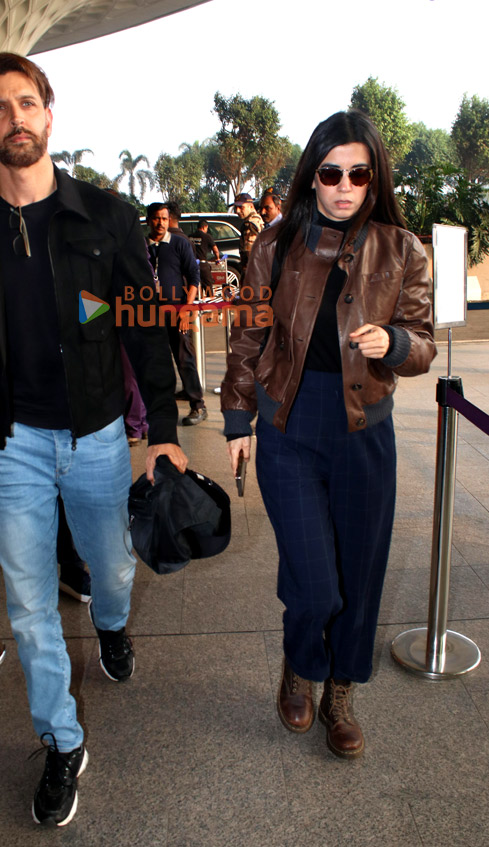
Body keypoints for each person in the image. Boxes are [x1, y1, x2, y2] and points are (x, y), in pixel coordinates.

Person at [0, 52, 187, 827]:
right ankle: (60, 740)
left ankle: (110, 625)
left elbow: (142, 324)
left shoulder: (105, 217)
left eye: (26, 103)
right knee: (33, 603)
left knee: (111, 567)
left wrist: (163, 433)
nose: (15, 118)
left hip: (99, 434)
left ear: (49, 112)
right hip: (9, 448)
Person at [221, 111, 436, 759]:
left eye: (358, 173)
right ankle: (299, 661)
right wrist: (237, 416)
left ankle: (339, 688)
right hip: (288, 425)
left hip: (363, 432)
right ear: (311, 175)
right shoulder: (274, 244)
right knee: (315, 580)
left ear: (374, 179)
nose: (344, 185)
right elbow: (249, 334)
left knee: (360, 574)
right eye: (330, 172)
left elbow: (422, 344)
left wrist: (392, 341)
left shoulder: (401, 249)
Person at [146, 202, 207, 425]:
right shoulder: (142, 246)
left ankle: (198, 406)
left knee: (184, 359)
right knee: (156, 362)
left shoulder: (180, 243)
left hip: (178, 312)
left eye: (164, 218)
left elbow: (194, 277)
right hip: (151, 315)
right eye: (155, 218)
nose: (160, 223)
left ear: (169, 220)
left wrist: (186, 310)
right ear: (148, 220)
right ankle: (159, 410)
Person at [190, 219, 221, 297]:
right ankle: (209, 303)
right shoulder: (207, 236)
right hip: (202, 265)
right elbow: (215, 250)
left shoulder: (190, 237)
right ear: (204, 227)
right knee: (208, 285)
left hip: (191, 264)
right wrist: (217, 258)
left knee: (192, 285)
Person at [233, 192, 263, 272]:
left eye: (241, 207)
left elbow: (249, 252)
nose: (237, 211)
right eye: (236, 207)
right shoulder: (258, 220)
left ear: (251, 206)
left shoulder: (250, 224)